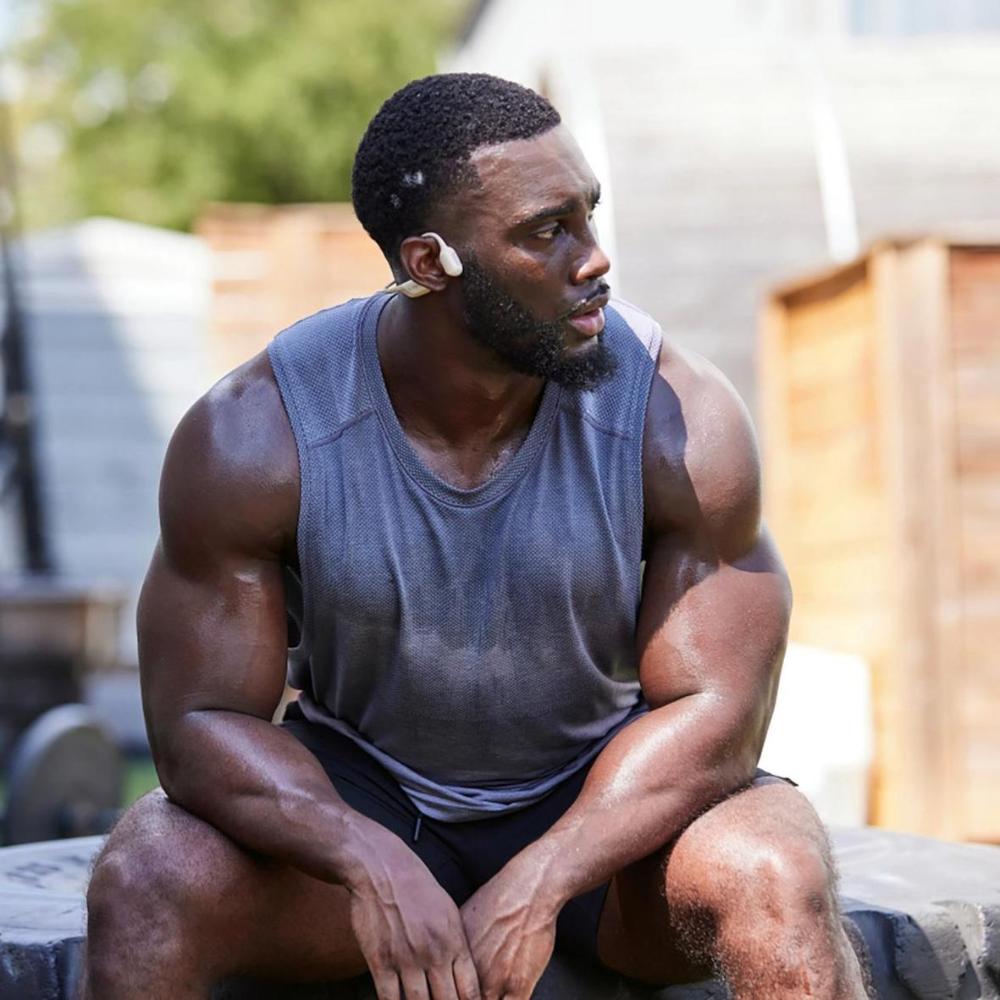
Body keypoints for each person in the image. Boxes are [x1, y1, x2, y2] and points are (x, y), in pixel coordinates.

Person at [82, 73, 868, 1000]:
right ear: (429, 263)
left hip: (605, 812)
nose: (594, 259)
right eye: (547, 231)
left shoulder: (678, 420)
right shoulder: (259, 437)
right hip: (365, 802)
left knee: (776, 871)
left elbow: (717, 706)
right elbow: (199, 723)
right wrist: (364, 855)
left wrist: (548, 873)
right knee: (148, 875)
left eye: (588, 213)